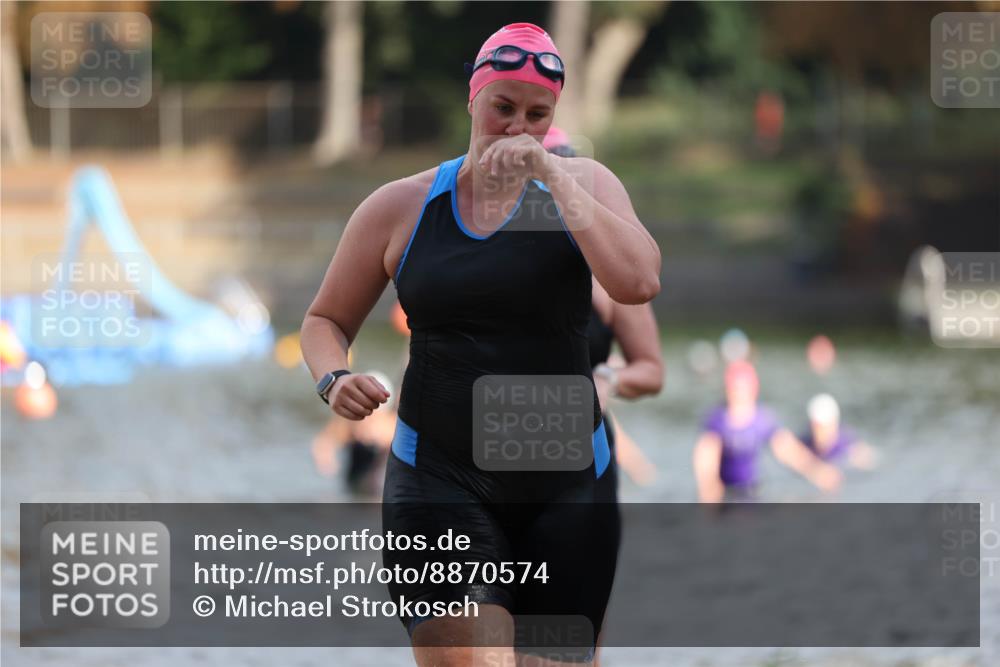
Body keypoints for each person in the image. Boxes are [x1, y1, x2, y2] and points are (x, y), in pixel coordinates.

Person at [300, 22, 660, 667]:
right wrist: (334, 378)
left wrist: (553, 175)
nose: (518, 127)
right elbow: (325, 320)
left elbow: (639, 283)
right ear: (473, 98)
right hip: (440, 479)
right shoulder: (402, 205)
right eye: (503, 108)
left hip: (566, 488)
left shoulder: (587, 185)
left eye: (537, 115)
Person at [544, 127, 663, 489]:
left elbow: (652, 370)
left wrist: (607, 379)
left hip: (582, 449)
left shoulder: (609, 275)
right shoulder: (487, 258)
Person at [692, 361, 842, 503]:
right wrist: (709, 494)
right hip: (726, 494)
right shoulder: (717, 422)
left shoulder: (761, 420)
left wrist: (818, 472)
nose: (739, 394)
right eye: (735, 389)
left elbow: (789, 451)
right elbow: (706, 464)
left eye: (743, 389)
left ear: (754, 389)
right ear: (727, 390)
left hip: (752, 492)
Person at [311, 371, 397, 498]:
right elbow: (323, 443)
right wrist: (328, 463)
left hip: (377, 484)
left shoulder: (391, 427)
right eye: (367, 412)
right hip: (353, 478)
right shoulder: (350, 422)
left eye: (375, 415)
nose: (368, 420)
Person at [799, 393, 878, 470]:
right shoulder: (805, 442)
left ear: (834, 424)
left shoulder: (847, 444)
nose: (820, 432)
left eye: (823, 427)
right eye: (816, 427)